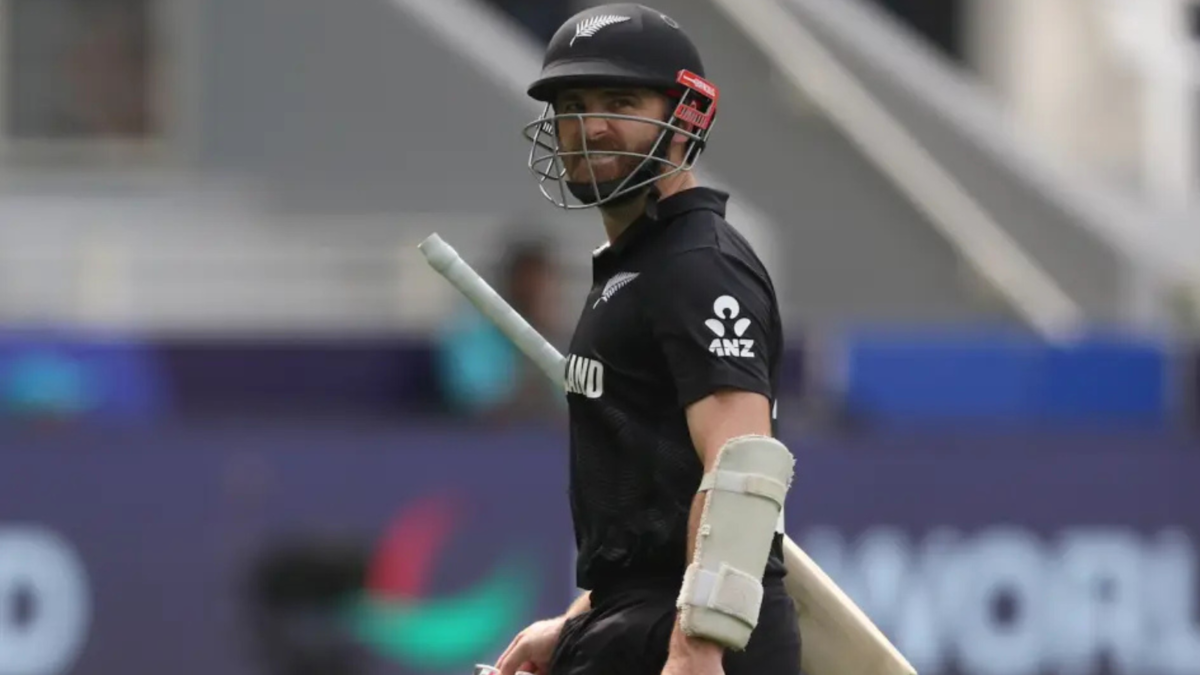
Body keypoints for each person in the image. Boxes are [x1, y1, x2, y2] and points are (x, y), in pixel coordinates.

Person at [491, 4, 801, 675]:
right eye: (572, 106)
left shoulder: (698, 265)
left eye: (620, 102)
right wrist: (577, 623)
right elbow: (651, 513)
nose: (590, 126)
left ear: (685, 118)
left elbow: (743, 466)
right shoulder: (638, 265)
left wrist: (698, 644)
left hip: (689, 640)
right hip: (641, 620)